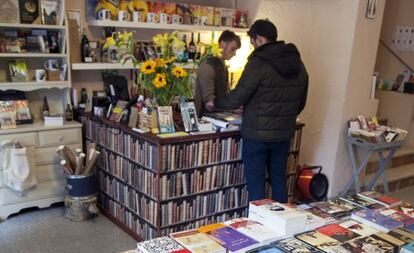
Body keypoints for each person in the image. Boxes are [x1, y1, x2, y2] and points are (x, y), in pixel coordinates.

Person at [214, 19, 309, 203]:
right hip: (283, 134)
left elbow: (238, 96)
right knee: (279, 180)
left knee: (256, 184)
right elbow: (301, 101)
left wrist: (215, 102)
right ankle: (280, 226)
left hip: (256, 135)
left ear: (258, 39)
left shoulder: (258, 62)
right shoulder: (297, 62)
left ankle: (259, 228)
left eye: (252, 43)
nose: (252, 47)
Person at [194, 30, 241, 116]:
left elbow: (224, 95)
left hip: (217, 117)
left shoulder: (223, 67)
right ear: (222, 44)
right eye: (233, 49)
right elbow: (209, 102)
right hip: (205, 120)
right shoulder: (207, 66)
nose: (234, 53)